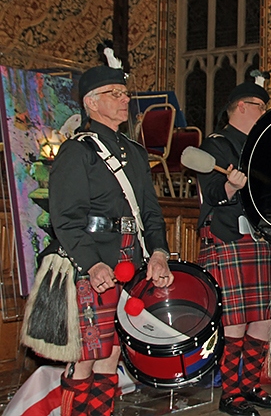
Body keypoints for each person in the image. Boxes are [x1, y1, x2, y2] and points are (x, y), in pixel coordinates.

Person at [48, 62, 174, 416]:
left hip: (129, 265)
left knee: (112, 354)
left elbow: (150, 213)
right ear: (91, 102)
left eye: (124, 93)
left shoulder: (134, 152)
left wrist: (159, 253)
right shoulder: (77, 152)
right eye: (114, 94)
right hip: (91, 264)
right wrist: (92, 263)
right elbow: (66, 219)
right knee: (85, 358)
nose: (124, 100)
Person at [197, 82, 271, 416]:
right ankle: (229, 393)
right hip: (229, 239)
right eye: (259, 107)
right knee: (234, 324)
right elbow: (210, 193)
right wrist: (228, 186)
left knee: (263, 321)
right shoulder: (216, 144)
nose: (264, 113)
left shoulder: (262, 147)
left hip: (262, 239)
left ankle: (250, 385)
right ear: (240, 107)